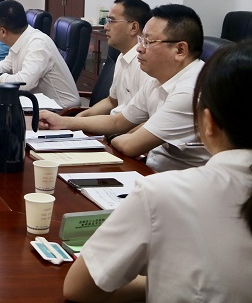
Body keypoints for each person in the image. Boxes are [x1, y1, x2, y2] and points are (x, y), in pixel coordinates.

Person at [63, 41, 252, 303]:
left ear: (208, 123)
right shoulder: (154, 82)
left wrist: (164, 279)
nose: (142, 48)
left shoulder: (162, 194)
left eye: (149, 41)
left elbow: (78, 288)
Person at [39, 4, 210, 171]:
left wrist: (110, 139)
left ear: (180, 50)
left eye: (148, 42)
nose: (139, 48)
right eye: (141, 40)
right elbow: (118, 122)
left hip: (180, 182)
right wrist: (62, 122)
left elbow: (131, 145)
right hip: (150, 169)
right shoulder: (157, 79)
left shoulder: (190, 91)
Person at [0, 0, 80, 108]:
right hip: (37, 103)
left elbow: (24, 83)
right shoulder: (20, 39)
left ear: (3, 32)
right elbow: (5, 65)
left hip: (62, 109)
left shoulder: (38, 44)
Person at [75, 0, 151, 117]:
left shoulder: (144, 64)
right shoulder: (122, 57)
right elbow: (111, 101)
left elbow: (144, 119)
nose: (106, 27)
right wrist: (80, 117)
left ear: (133, 27)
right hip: (113, 123)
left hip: (123, 127)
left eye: (111, 21)